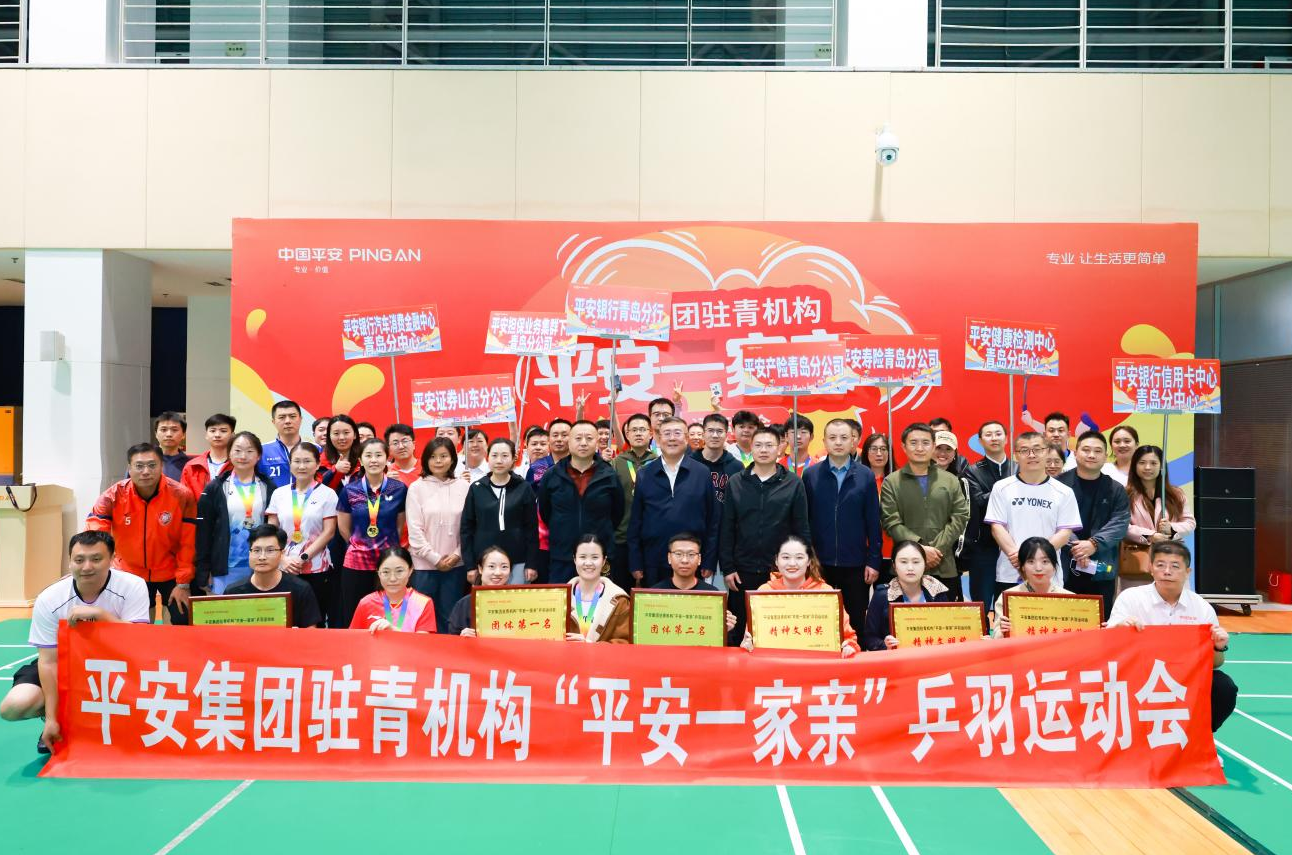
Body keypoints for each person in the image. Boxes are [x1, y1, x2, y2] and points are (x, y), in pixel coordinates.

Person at [0, 532, 150, 754]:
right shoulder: (50, 598)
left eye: (96, 559)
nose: (87, 567)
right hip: (67, 664)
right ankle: (61, 719)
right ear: (69, 561)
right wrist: (52, 718)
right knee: (14, 706)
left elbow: (140, 641)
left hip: (120, 664)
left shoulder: (133, 586)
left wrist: (101, 615)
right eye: (79, 560)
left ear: (112, 559)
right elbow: (48, 662)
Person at [1107, 541, 1237, 734]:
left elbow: (1216, 663)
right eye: (1160, 565)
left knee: (1223, 687)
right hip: (1137, 674)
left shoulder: (1201, 607)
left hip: (1184, 676)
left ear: (1187, 572)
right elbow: (1107, 646)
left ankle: (1199, 738)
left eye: (1175, 566)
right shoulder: (1130, 598)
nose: (1167, 572)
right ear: (1151, 568)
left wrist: (1218, 647)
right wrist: (1120, 629)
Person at [87, 442, 197, 624]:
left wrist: (183, 583)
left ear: (161, 466)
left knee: (183, 619)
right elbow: (96, 538)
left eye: (152, 465)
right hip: (129, 573)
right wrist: (103, 572)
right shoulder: (112, 497)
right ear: (129, 468)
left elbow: (188, 542)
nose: (146, 471)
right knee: (135, 627)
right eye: (139, 466)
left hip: (170, 571)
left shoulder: (181, 495)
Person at [720, 426, 811, 642]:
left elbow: (801, 527)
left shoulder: (793, 483)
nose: (763, 450)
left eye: (769, 445)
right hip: (742, 570)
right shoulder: (736, 482)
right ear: (751, 448)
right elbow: (727, 527)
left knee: (778, 629)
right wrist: (728, 567)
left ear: (779, 448)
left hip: (781, 571)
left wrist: (804, 566)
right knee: (739, 630)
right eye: (758, 445)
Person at [803, 418, 882, 637]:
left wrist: (873, 560)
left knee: (855, 620)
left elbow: (873, 521)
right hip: (819, 564)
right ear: (824, 442)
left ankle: (856, 657)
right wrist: (807, 557)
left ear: (853, 442)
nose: (838, 442)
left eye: (844, 438)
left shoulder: (865, 475)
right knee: (820, 620)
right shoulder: (811, 475)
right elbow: (804, 521)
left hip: (856, 563)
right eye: (833, 437)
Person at [985, 431, 1082, 597]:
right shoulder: (1001, 487)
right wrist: (1020, 558)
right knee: (1008, 614)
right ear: (1016, 455)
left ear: (1047, 452)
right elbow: (997, 527)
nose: (1031, 455)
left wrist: (1036, 558)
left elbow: (1064, 532)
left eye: (1037, 449)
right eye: (1024, 450)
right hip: (1010, 571)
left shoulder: (1064, 492)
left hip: (1049, 574)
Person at [879, 423, 969, 597]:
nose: (920, 448)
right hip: (905, 566)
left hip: (943, 564)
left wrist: (936, 549)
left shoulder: (950, 480)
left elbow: (960, 516)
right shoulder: (892, 482)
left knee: (944, 613)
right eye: (913, 443)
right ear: (904, 447)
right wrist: (920, 550)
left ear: (933, 446)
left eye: (925, 443)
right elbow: (890, 522)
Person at [627, 417, 719, 587]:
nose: (672, 438)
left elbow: (712, 520)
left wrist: (709, 560)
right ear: (658, 438)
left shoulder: (702, 473)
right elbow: (635, 521)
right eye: (667, 433)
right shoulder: (645, 474)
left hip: (690, 560)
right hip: (653, 560)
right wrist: (635, 561)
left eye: (677, 433)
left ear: (686, 438)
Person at [740, 535, 860, 658]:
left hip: (816, 665)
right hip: (776, 665)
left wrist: (849, 646)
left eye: (799, 557)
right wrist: (747, 645)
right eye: (785, 557)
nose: (792, 563)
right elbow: (752, 636)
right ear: (776, 560)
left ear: (809, 561)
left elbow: (849, 636)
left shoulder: (825, 593)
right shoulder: (764, 592)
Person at [538, 420, 625, 584]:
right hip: (562, 554)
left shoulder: (609, 475)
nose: (583, 443)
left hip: (598, 556)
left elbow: (617, 513)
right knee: (562, 598)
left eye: (589, 438)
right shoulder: (552, 475)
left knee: (599, 598)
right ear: (569, 441)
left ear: (597, 441)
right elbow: (545, 511)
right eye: (578, 438)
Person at [194, 431, 277, 596]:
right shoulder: (215, 488)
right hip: (225, 567)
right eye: (237, 450)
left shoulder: (269, 487)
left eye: (250, 451)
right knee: (227, 611)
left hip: (260, 566)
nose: (243, 456)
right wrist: (204, 569)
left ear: (258, 456)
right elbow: (204, 532)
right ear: (229, 454)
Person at [337, 438, 409, 627]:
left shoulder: (399, 489)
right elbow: (344, 528)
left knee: (388, 613)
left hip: (388, 563)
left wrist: (387, 546)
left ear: (387, 458)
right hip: (356, 563)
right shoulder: (350, 490)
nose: (374, 460)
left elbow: (399, 526)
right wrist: (360, 544)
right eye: (368, 455)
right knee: (354, 615)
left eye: (379, 455)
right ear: (360, 460)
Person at [1057, 431, 1130, 617]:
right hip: (1063, 564)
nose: (1091, 455)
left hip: (1101, 566)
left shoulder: (1116, 489)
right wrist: (1077, 547)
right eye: (1086, 450)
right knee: (1063, 619)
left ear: (1105, 456)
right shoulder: (1058, 485)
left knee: (1100, 619)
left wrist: (1094, 544)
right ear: (1075, 453)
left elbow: (1120, 522)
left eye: (1098, 451)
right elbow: (1053, 520)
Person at [265, 442, 338, 625]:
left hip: (316, 567)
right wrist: (282, 559)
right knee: (285, 619)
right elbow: (272, 531)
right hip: (284, 566)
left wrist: (303, 557)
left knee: (314, 620)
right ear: (290, 464)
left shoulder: (328, 494)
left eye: (307, 461)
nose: (302, 466)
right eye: (297, 461)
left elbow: (329, 532)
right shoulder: (279, 494)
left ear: (317, 464)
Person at [406, 436, 469, 631]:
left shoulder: (464, 487)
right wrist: (435, 559)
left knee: (451, 618)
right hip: (424, 567)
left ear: (453, 459)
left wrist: (457, 555)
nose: (438, 461)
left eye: (444, 456)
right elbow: (414, 531)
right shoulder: (416, 488)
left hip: (456, 565)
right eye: (433, 457)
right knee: (422, 620)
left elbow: (469, 527)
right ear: (425, 460)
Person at [460, 438, 539, 585]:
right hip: (484, 562)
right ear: (487, 458)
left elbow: (532, 528)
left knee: (515, 599)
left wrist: (532, 563)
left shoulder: (524, 488)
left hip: (519, 560)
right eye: (494, 455)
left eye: (505, 455)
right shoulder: (476, 488)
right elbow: (466, 529)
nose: (499, 460)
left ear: (513, 458)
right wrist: (470, 565)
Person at [863, 540, 955, 651]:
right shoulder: (883, 595)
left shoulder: (937, 591)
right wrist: (885, 645)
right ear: (894, 565)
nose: (910, 568)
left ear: (925, 565)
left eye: (916, 562)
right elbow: (869, 637)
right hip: (897, 659)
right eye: (903, 562)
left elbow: (950, 631)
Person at [226, 524, 322, 628]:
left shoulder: (301, 589)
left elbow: (310, 631)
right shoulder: (233, 593)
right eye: (256, 550)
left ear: (282, 554)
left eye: (270, 550)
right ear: (250, 553)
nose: (262, 557)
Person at [1122, 444, 1196, 578]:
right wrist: (1151, 535)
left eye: (1153, 463)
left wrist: (1171, 528)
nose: (1147, 467)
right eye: (1142, 463)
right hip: (1138, 562)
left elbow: (1190, 523)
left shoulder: (1176, 494)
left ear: (1162, 466)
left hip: (1171, 557)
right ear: (1134, 466)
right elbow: (1122, 526)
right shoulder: (1124, 494)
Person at [964, 420, 1016, 607]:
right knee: (981, 605)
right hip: (984, 547)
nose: (994, 438)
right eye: (988, 435)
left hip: (1015, 546)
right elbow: (978, 502)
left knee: (1012, 605)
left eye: (998, 434)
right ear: (980, 441)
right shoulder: (972, 471)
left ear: (1006, 438)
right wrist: (1008, 489)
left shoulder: (1019, 468)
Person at [611, 413, 658, 590]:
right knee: (621, 590)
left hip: (652, 537)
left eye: (643, 429)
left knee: (652, 591)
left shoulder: (659, 462)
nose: (638, 433)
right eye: (634, 430)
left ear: (651, 433)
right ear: (627, 434)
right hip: (622, 536)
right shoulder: (616, 463)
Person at [990, 537, 1071, 638]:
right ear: (1022, 566)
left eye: (1045, 561)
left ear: (1054, 566)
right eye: (1031, 561)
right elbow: (996, 638)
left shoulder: (1070, 599)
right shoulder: (1008, 599)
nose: (1038, 568)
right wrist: (1002, 632)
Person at [349, 546, 437, 633]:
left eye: (399, 571)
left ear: (410, 571)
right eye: (386, 572)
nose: (392, 579)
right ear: (378, 573)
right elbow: (353, 638)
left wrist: (393, 630)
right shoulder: (366, 603)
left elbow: (423, 641)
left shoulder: (423, 603)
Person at [525, 418, 571, 583]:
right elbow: (530, 504)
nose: (559, 439)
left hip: (572, 539)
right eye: (555, 435)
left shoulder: (580, 466)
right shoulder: (537, 467)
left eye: (564, 435)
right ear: (549, 439)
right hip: (544, 540)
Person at [566, 535, 632, 643]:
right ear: (574, 559)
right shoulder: (559, 597)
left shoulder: (620, 601)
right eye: (582, 557)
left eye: (595, 557)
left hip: (601, 655)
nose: (588, 563)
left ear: (604, 561)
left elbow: (624, 642)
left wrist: (590, 646)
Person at [448, 546, 513, 636]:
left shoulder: (518, 602)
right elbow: (452, 637)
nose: (498, 573)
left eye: (504, 567)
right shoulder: (464, 604)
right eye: (491, 566)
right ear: (480, 569)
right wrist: (462, 637)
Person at [180, 413, 235, 499]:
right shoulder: (192, 466)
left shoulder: (238, 464)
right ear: (206, 435)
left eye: (223, 431)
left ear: (232, 435)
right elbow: (184, 499)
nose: (217, 435)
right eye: (212, 431)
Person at [860, 432, 893, 573]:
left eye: (883, 449)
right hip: (863, 550)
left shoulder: (896, 481)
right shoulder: (857, 481)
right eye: (874, 449)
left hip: (892, 550)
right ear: (866, 452)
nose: (879, 453)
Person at [261, 399, 306, 488]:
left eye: (292, 416)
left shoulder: (315, 449)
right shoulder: (261, 451)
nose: (287, 421)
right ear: (273, 422)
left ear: (300, 419)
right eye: (282, 417)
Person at [319, 414, 361, 493]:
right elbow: (317, 489)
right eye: (336, 433)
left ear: (355, 435)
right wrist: (335, 470)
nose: (341, 437)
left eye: (346, 432)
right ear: (329, 436)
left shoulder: (364, 459)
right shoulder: (320, 462)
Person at [152, 411, 192, 482]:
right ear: (156, 434)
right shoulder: (145, 460)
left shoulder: (190, 464)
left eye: (174, 430)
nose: (169, 434)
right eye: (163, 430)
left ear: (183, 435)